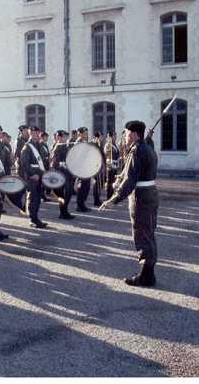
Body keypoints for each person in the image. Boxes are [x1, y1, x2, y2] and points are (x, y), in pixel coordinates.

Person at [100, 121, 158, 287]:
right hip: (150, 194)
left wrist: (114, 199)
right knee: (149, 232)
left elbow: (130, 181)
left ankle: (145, 276)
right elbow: (135, 172)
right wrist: (122, 176)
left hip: (141, 197)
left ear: (134, 134)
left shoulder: (137, 151)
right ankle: (149, 274)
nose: (124, 136)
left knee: (141, 233)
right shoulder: (148, 149)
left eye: (126, 133)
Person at [19, 126, 47, 228]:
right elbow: (24, 163)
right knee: (32, 197)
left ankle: (36, 218)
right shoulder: (27, 146)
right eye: (34, 133)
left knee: (38, 197)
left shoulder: (38, 145)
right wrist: (32, 174)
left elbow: (42, 160)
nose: (36, 134)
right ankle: (32, 219)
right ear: (30, 133)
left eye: (37, 133)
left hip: (39, 175)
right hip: (32, 177)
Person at [50, 130, 75, 220]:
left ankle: (65, 211)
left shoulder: (65, 146)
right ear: (58, 137)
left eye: (65, 136)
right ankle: (63, 213)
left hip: (67, 175)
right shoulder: (57, 148)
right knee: (62, 195)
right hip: (61, 175)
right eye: (64, 137)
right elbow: (54, 163)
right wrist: (63, 165)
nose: (66, 138)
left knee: (68, 195)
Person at [75, 127, 91, 212]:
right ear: (80, 134)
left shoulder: (85, 142)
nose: (86, 135)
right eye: (85, 133)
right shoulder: (78, 142)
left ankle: (82, 204)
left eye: (87, 133)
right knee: (81, 187)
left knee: (86, 186)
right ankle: (79, 205)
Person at [104, 131, 120, 199]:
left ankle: (112, 196)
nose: (115, 137)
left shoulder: (114, 144)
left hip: (115, 166)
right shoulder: (108, 145)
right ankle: (108, 197)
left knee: (113, 182)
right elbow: (107, 155)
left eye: (115, 135)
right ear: (111, 137)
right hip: (110, 167)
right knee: (109, 182)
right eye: (114, 135)